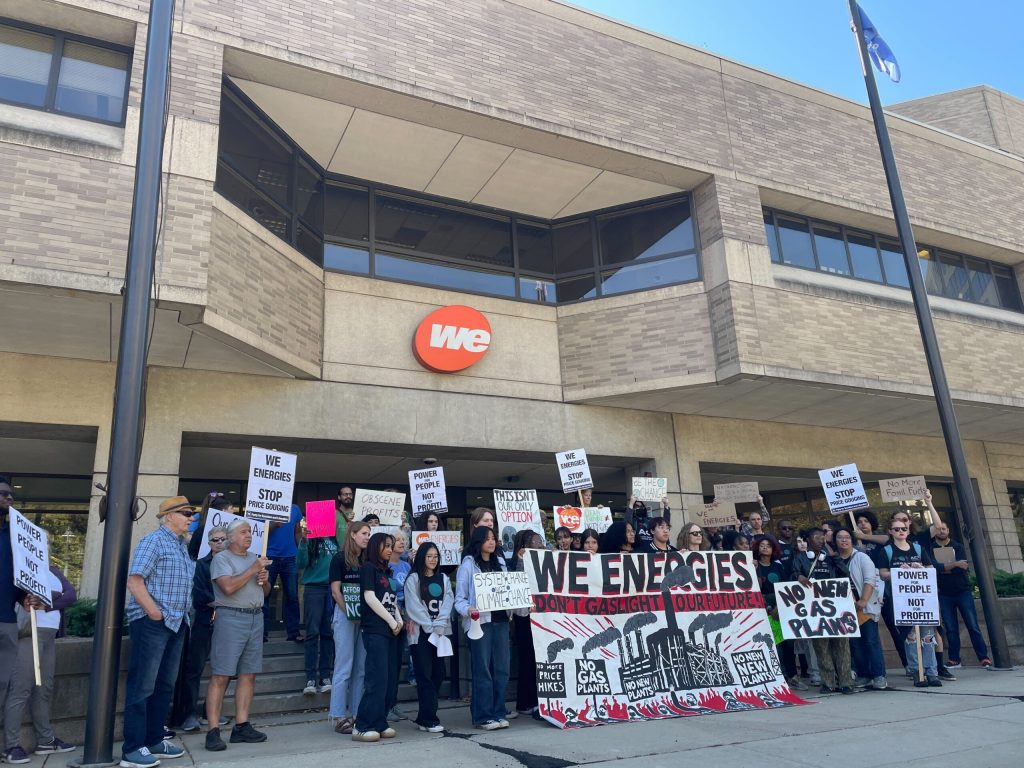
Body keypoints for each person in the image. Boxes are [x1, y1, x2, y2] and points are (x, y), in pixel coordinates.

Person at [121, 495, 197, 767]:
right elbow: (135, 579)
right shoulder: (153, 541)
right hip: (153, 623)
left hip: (177, 623)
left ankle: (154, 739)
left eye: (191, 513)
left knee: (165, 685)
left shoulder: (182, 546)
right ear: (168, 516)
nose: (191, 517)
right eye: (186, 513)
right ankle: (132, 748)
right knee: (143, 685)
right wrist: (153, 612)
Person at [205, 519, 272, 751]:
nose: (249, 535)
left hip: (256, 616)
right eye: (243, 532)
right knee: (221, 675)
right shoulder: (221, 558)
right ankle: (213, 730)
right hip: (231, 617)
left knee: (249, 674)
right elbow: (228, 587)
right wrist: (253, 569)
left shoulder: (255, 557)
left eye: (250, 532)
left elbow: (266, 590)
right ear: (231, 537)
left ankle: (241, 725)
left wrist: (263, 581)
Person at [3, 561, 77, 763]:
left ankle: (46, 740)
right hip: (27, 634)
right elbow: (19, 596)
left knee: (44, 689)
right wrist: (55, 597)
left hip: (49, 636)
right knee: (20, 690)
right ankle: (11, 746)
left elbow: (71, 595)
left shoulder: (53, 570)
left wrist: (46, 602)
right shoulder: (20, 568)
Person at [456, 526, 517, 731]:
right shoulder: (468, 565)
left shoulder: (501, 562)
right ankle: (483, 715)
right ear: (478, 541)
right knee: (482, 669)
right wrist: (469, 610)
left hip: (501, 621)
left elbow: (510, 591)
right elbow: (459, 600)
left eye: (494, 538)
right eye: (487, 538)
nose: (491, 542)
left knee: (502, 669)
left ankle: (498, 711)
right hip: (479, 623)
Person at [871, 517, 941, 687]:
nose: (900, 531)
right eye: (896, 529)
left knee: (927, 636)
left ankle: (932, 672)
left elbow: (931, 569)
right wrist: (897, 571)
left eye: (903, 528)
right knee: (910, 637)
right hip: (902, 601)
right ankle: (917, 672)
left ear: (908, 531)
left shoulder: (918, 548)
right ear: (890, 531)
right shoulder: (886, 551)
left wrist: (921, 568)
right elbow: (882, 574)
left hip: (923, 600)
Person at [352, 532, 402, 743]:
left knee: (389, 680)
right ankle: (362, 725)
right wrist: (391, 622)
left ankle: (379, 721)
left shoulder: (387, 571)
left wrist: (398, 619)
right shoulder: (368, 568)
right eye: (386, 545)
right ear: (375, 547)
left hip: (391, 631)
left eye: (391, 545)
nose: (390, 549)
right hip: (375, 630)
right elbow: (369, 597)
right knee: (376, 679)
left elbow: (392, 601)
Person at [179, 524, 228, 733]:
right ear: (209, 543)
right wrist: (226, 601)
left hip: (227, 623)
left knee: (223, 670)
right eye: (214, 540)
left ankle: (212, 711)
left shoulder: (234, 564)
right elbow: (200, 597)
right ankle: (188, 713)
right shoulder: (201, 564)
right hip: (204, 622)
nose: (218, 543)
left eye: (222, 539)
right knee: (195, 669)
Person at [793, 528, 853, 695]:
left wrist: (834, 556)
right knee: (821, 647)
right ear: (807, 540)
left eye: (822, 537)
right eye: (816, 537)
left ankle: (846, 682)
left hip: (835, 607)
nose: (820, 539)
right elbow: (792, 574)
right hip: (814, 610)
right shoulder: (801, 558)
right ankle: (828, 682)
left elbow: (845, 572)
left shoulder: (831, 557)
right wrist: (799, 577)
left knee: (842, 646)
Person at [403, 542, 455, 732]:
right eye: (429, 556)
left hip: (440, 633)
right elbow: (413, 605)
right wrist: (428, 625)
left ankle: (424, 716)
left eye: (435, 556)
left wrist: (439, 624)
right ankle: (429, 718)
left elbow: (449, 600)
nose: (433, 560)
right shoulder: (413, 579)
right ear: (421, 558)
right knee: (424, 674)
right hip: (421, 634)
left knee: (439, 673)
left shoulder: (444, 578)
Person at [328, 521, 371, 735]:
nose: (367, 537)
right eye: (364, 533)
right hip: (345, 616)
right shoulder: (338, 558)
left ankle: (356, 713)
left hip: (363, 617)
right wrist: (350, 613)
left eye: (369, 534)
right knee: (344, 666)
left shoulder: (366, 560)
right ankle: (338, 715)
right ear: (352, 534)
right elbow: (336, 592)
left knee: (360, 668)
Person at [930, 522, 991, 669]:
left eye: (944, 528)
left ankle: (984, 658)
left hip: (963, 591)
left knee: (973, 626)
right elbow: (932, 568)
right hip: (944, 594)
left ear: (949, 530)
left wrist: (944, 568)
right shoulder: (931, 549)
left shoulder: (958, 546)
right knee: (950, 628)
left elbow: (962, 568)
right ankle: (954, 659)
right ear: (934, 532)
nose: (942, 531)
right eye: (939, 529)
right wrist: (953, 565)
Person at [834, 529, 887, 690]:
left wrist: (863, 600)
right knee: (855, 644)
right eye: (840, 538)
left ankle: (879, 675)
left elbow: (869, 580)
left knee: (871, 641)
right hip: (845, 608)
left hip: (864, 607)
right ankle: (864, 675)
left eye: (847, 537)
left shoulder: (862, 557)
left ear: (852, 540)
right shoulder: (834, 560)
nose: (844, 540)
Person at [751, 534, 804, 691]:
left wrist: (779, 607)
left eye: (768, 545)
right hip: (764, 611)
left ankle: (793, 676)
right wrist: (769, 608)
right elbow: (755, 592)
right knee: (773, 646)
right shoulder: (754, 567)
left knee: (788, 645)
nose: (765, 547)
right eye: (762, 545)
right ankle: (778, 677)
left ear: (774, 548)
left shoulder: (779, 566)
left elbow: (786, 588)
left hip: (782, 610)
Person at [297, 520, 339, 696]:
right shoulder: (308, 540)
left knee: (328, 633)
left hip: (331, 589)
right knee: (313, 633)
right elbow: (300, 563)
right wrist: (305, 540)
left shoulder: (333, 540)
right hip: (314, 589)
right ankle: (310, 678)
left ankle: (325, 676)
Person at [510, 530, 544, 716]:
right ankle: (525, 702)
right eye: (533, 543)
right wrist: (522, 560)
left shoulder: (544, 557)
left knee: (537, 659)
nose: (537, 546)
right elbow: (517, 582)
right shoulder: (516, 562)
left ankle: (537, 699)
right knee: (527, 659)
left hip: (541, 615)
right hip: (524, 616)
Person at [263, 503, 303, 643]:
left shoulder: (295, 509)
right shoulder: (264, 506)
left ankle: (293, 632)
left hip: (290, 557)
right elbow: (258, 533)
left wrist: (300, 550)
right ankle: (262, 633)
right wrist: (274, 525)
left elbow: (297, 531)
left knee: (292, 597)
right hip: (268, 557)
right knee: (264, 595)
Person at [386, 531, 412, 722]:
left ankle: (393, 704)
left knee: (396, 663)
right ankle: (385, 705)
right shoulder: (384, 566)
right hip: (389, 617)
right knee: (387, 664)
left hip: (405, 617)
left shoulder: (406, 566)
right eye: (398, 539)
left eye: (404, 539)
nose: (402, 542)